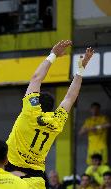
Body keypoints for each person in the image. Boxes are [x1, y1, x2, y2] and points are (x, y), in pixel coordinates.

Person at [6, 40, 95, 189]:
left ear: (36, 102)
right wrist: (80, 69)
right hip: (36, 180)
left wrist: (53, 54)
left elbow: (36, 78)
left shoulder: (30, 111)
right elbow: (70, 97)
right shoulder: (56, 122)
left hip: (11, 174)